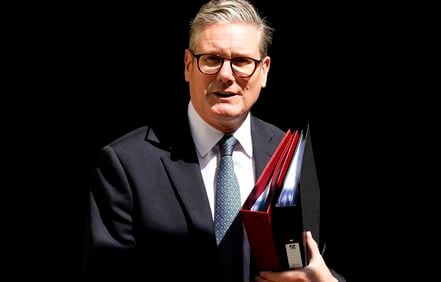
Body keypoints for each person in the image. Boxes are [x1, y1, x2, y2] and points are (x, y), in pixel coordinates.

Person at [82, 0, 345, 281]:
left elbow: (315, 258)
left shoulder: (288, 154)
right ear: (187, 65)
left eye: (242, 61)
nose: (226, 75)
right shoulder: (125, 163)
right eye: (211, 59)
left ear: (264, 70)